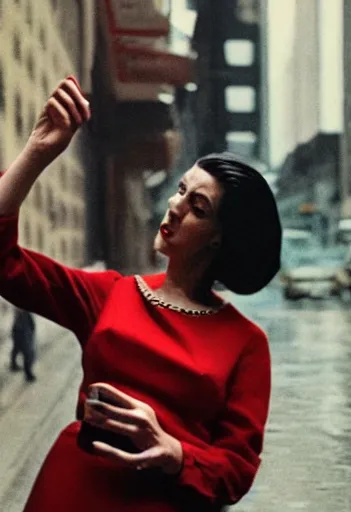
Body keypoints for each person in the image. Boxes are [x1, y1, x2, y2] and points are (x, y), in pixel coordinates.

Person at [0, 77, 282, 511]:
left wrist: (174, 452)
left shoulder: (247, 344)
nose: (175, 205)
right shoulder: (110, 292)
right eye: (182, 189)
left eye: (198, 207)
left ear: (220, 239)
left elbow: (236, 471)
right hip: (69, 488)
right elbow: (5, 264)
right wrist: (38, 150)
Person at [10, 308, 36, 382]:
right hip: (22, 334)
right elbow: (31, 325)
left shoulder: (23, 313)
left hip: (21, 333)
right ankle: (28, 374)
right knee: (27, 354)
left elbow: (31, 324)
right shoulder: (23, 313)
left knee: (17, 349)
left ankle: (14, 365)